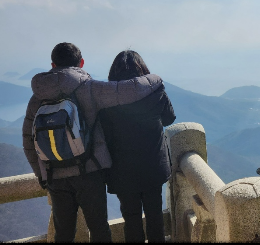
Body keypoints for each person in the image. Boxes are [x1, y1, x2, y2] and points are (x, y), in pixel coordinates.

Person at [22, 43, 164, 243]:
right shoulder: (88, 88)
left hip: (54, 174)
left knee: (63, 234)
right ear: (81, 63)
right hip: (89, 171)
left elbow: (28, 141)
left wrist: (42, 174)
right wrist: (155, 78)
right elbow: (128, 90)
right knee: (99, 230)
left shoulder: (36, 98)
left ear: (52, 65)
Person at [98, 50, 175, 243]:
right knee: (155, 214)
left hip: (122, 170)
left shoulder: (106, 100)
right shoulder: (156, 91)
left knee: (131, 218)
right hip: (153, 166)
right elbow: (169, 118)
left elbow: (103, 134)